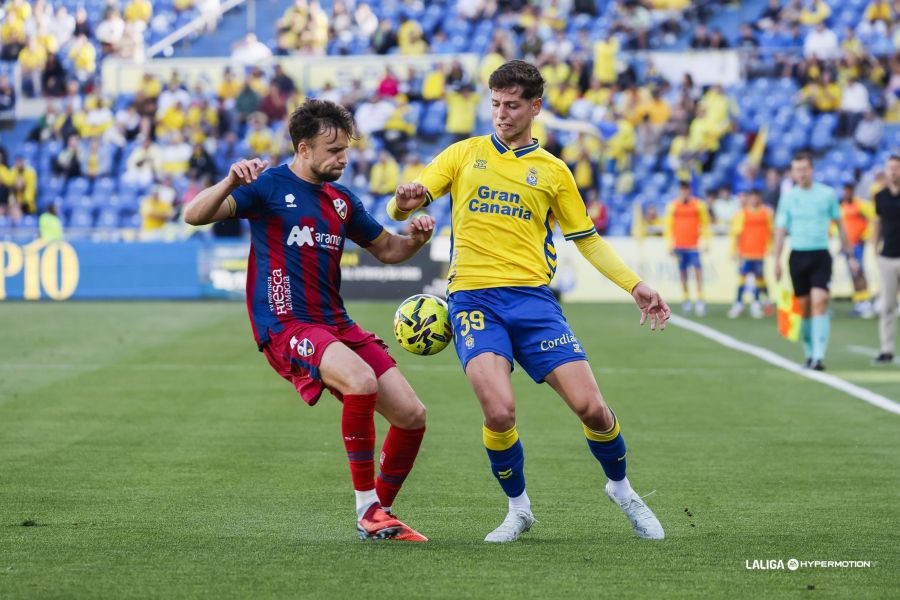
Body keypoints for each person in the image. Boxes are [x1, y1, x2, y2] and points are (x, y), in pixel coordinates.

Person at [387, 60, 670, 543]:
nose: (501, 113)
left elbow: (587, 238)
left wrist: (634, 285)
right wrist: (404, 200)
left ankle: (622, 490)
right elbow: (403, 206)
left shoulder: (554, 172)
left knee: (593, 409)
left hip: (535, 302)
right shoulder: (463, 154)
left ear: (535, 107)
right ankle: (518, 509)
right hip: (473, 298)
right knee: (499, 413)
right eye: (495, 104)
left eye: (512, 105)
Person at [184, 99, 433, 542]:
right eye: (333, 150)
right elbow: (195, 215)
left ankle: (380, 514)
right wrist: (228, 181)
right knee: (360, 380)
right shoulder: (268, 186)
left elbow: (389, 250)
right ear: (303, 148)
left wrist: (414, 237)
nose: (343, 158)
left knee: (412, 415)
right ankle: (367, 509)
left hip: (336, 323)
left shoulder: (341, 201)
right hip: (287, 324)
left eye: (346, 150)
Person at [773, 153, 859, 371]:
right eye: (797, 169)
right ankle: (809, 354)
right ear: (793, 172)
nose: (801, 173)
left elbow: (840, 225)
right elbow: (781, 230)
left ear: (812, 170)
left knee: (820, 302)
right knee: (805, 308)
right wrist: (776, 260)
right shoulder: (789, 197)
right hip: (798, 255)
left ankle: (819, 356)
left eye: (804, 169)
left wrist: (850, 256)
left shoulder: (827, 194)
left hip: (820, 253)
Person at [665, 180, 711, 316]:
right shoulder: (673, 206)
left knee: (697, 272)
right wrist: (669, 244)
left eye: (686, 189)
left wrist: (706, 241)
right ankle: (686, 299)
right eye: (682, 189)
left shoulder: (699, 205)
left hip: (693, 245)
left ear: (689, 190)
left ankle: (700, 299)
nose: (684, 192)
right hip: (679, 245)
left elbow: (705, 224)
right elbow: (669, 227)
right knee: (683, 273)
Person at [728, 188, 774, 319]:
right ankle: (738, 303)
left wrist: (771, 247)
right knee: (742, 278)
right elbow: (736, 234)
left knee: (759, 279)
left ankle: (756, 304)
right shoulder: (742, 214)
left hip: (759, 253)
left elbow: (770, 232)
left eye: (756, 196)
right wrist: (734, 250)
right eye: (752, 196)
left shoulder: (766, 213)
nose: (754, 199)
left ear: (760, 198)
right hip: (745, 253)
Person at [873, 155, 900, 364]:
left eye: (897, 168)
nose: (893, 172)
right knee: (888, 306)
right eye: (890, 168)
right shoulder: (880, 196)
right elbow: (877, 223)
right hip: (888, 256)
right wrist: (874, 247)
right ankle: (886, 348)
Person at [839, 181, 875, 318]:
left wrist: (866, 235)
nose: (847, 192)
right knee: (852, 273)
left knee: (859, 272)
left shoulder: (860, 205)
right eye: (845, 189)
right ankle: (859, 301)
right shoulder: (842, 206)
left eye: (849, 189)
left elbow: (873, 217)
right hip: (847, 245)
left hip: (857, 244)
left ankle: (865, 302)